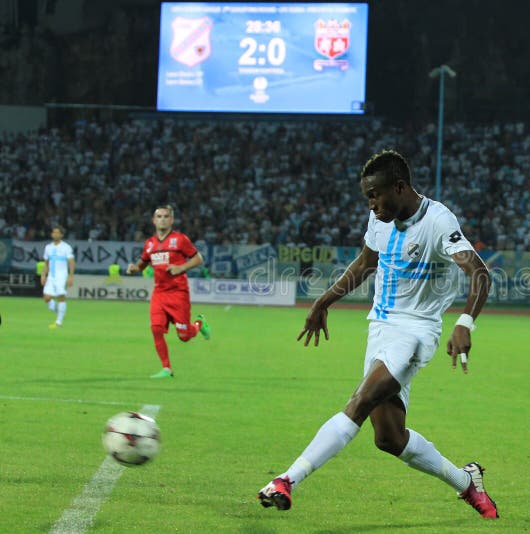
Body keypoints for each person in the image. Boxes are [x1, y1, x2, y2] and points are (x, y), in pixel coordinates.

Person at [257, 150, 498, 519]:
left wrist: (465, 322)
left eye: (376, 194)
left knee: (362, 399)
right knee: (389, 438)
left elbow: (480, 273)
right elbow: (367, 262)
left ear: (399, 187)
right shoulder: (380, 219)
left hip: (416, 332)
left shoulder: (437, 220)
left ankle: (287, 479)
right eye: (367, 196)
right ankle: (467, 483)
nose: (371, 204)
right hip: (380, 328)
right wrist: (324, 301)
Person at [127, 205, 211, 378]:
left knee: (184, 336)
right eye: (159, 216)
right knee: (156, 328)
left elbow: (198, 258)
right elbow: (143, 262)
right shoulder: (149, 243)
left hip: (178, 293)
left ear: (171, 220)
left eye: (166, 216)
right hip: (159, 293)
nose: (162, 219)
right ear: (153, 220)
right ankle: (167, 368)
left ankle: (199, 324)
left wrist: (182, 267)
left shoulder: (180, 240)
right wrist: (134, 268)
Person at [41, 225, 75, 328]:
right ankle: (59, 312)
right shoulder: (48, 247)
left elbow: (71, 262)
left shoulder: (66, 247)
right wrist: (43, 275)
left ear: (61, 235)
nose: (55, 234)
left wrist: (70, 276)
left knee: (61, 296)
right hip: (51, 276)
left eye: (57, 232)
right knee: (47, 297)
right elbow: (46, 263)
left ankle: (59, 322)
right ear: (51, 234)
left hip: (62, 275)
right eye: (53, 232)